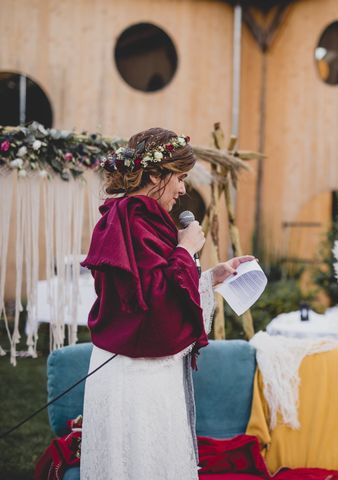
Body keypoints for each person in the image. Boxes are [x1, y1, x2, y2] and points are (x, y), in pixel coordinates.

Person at [79, 127, 253, 479]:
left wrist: (211, 277)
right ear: (156, 174)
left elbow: (152, 289)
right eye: (180, 177)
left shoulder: (131, 216)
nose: (183, 189)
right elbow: (156, 304)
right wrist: (186, 249)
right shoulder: (136, 220)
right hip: (138, 377)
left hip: (136, 368)